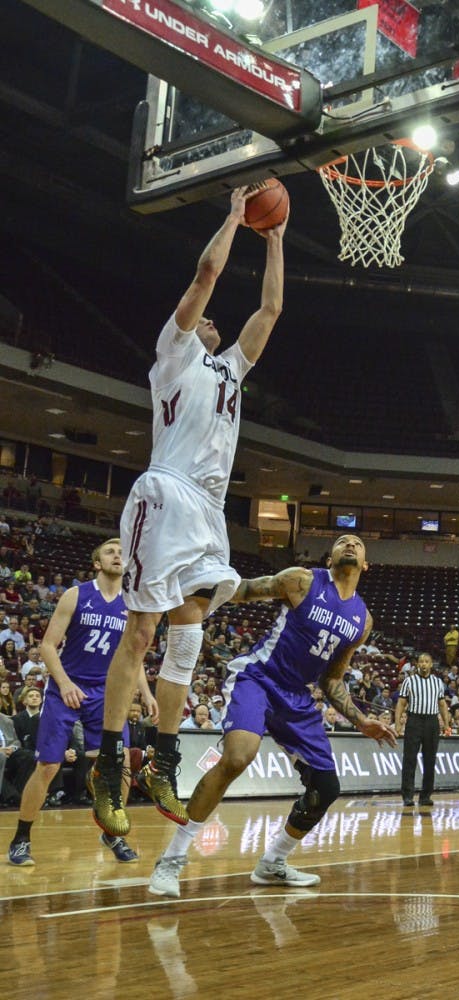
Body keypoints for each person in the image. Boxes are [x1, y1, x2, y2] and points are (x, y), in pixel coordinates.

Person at [90, 187, 287, 839]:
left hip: (207, 511)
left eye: (211, 322)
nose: (211, 320)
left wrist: (276, 238)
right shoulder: (174, 353)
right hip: (166, 493)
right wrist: (234, 216)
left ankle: (163, 760)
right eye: (203, 320)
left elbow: (271, 308)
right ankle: (109, 764)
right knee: (141, 633)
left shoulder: (232, 368)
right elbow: (206, 274)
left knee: (190, 634)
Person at [148, 535, 396, 898]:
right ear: (329, 558)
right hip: (259, 678)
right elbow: (243, 590)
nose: (349, 544)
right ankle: (171, 859)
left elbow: (332, 680)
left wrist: (361, 721)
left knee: (326, 788)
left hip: (297, 697)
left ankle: (273, 862)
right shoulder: (302, 580)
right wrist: (192, 591)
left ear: (366, 563)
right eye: (342, 541)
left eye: (356, 543)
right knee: (238, 756)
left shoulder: (362, 620)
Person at [7, 538, 157, 867]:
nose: (117, 555)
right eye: (110, 551)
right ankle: (21, 838)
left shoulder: (132, 605)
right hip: (67, 686)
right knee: (48, 766)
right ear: (96, 563)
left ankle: (113, 832)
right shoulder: (76, 595)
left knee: (122, 763)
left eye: (122, 553)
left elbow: (134, 656)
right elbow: (48, 646)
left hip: (107, 692)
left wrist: (146, 692)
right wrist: (64, 683)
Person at [395, 652, 450, 808]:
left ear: (431, 664)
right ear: (417, 664)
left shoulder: (437, 682)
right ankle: (408, 796)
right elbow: (401, 703)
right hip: (414, 721)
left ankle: (426, 796)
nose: (424, 664)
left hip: (432, 722)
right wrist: (398, 723)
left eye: (427, 661)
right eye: (421, 661)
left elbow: (442, 704)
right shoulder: (409, 681)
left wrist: (446, 724)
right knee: (409, 759)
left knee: (430, 760)